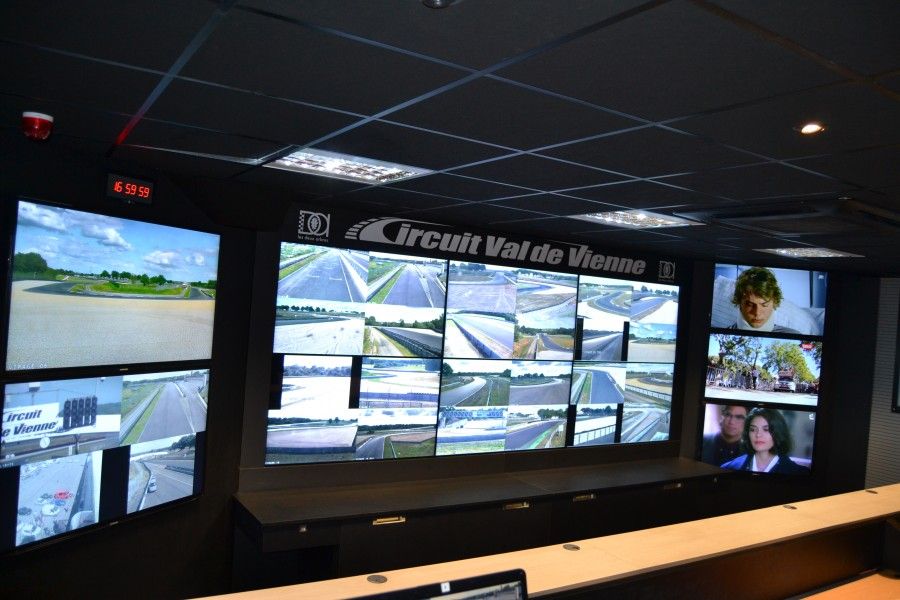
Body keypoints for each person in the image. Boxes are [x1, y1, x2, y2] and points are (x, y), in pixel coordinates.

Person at [720, 407, 810, 474]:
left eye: (766, 429)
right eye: (753, 429)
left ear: (778, 432)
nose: (758, 434)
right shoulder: (728, 468)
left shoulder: (799, 473)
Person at [729, 267, 799, 333]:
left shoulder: (796, 336)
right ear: (739, 303)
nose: (757, 313)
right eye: (750, 305)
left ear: (774, 303)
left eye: (764, 305)